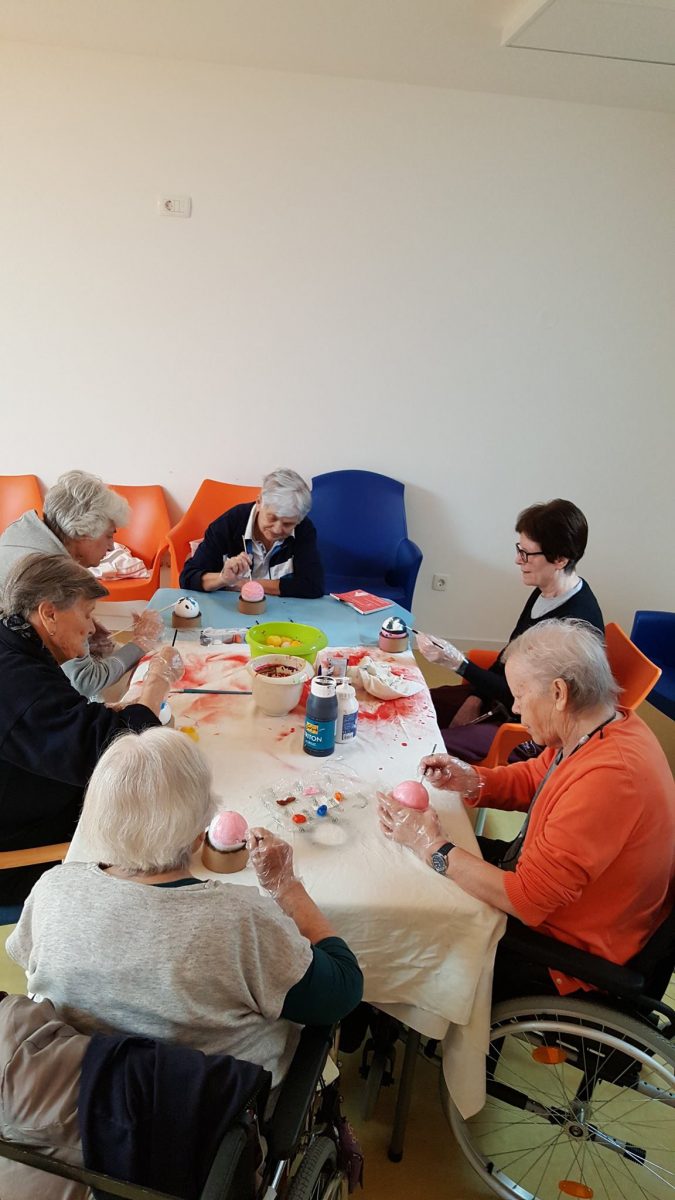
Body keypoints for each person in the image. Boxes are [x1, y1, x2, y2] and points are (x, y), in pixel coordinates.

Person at [7, 727, 363, 1088]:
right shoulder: (238, 919)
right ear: (198, 834)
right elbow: (343, 990)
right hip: (210, 1111)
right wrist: (286, 886)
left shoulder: (53, 888)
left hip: (84, 1099)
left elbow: (30, 963)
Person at [379, 619, 675, 1000]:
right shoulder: (598, 725)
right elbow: (539, 776)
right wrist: (473, 779)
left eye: (519, 695)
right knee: (409, 874)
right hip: (544, 888)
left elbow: (527, 900)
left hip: (564, 954)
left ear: (559, 693)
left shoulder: (612, 780)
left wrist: (432, 846)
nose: (515, 708)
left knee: (408, 929)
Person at [0, 553, 183, 904]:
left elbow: (60, 718)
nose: (90, 628)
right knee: (163, 825)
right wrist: (155, 683)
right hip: (21, 852)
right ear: (49, 614)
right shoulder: (22, 688)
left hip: (30, 794)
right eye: (87, 614)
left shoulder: (14, 640)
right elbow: (124, 754)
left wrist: (108, 709)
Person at [416, 498, 604, 762]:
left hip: (528, 728)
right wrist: (475, 697)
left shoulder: (574, 626)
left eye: (527, 554)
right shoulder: (545, 591)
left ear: (560, 559)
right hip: (501, 700)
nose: (518, 560)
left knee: (425, 746)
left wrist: (460, 665)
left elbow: (528, 699)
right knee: (413, 706)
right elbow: (509, 657)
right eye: (519, 549)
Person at [0, 470, 163, 698]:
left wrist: (80, 626)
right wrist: (141, 643)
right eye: (109, 535)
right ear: (84, 532)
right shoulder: (54, 576)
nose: (112, 546)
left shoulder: (21, 531)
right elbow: (85, 681)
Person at [180, 468, 324, 599]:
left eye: (288, 524)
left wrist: (242, 584)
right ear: (259, 502)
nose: (277, 529)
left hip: (281, 610)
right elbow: (188, 578)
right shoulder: (230, 523)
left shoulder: (303, 529)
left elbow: (313, 586)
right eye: (272, 518)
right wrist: (223, 579)